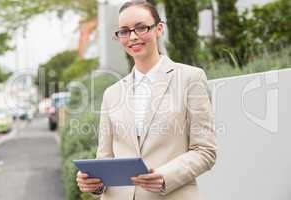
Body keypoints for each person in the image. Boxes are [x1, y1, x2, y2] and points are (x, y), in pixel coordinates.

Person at [76, 1, 217, 199]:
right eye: (124, 31)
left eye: (141, 28)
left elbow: (205, 151)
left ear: (159, 29)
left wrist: (165, 176)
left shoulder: (190, 79)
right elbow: (105, 159)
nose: (133, 37)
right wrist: (94, 184)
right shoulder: (112, 93)